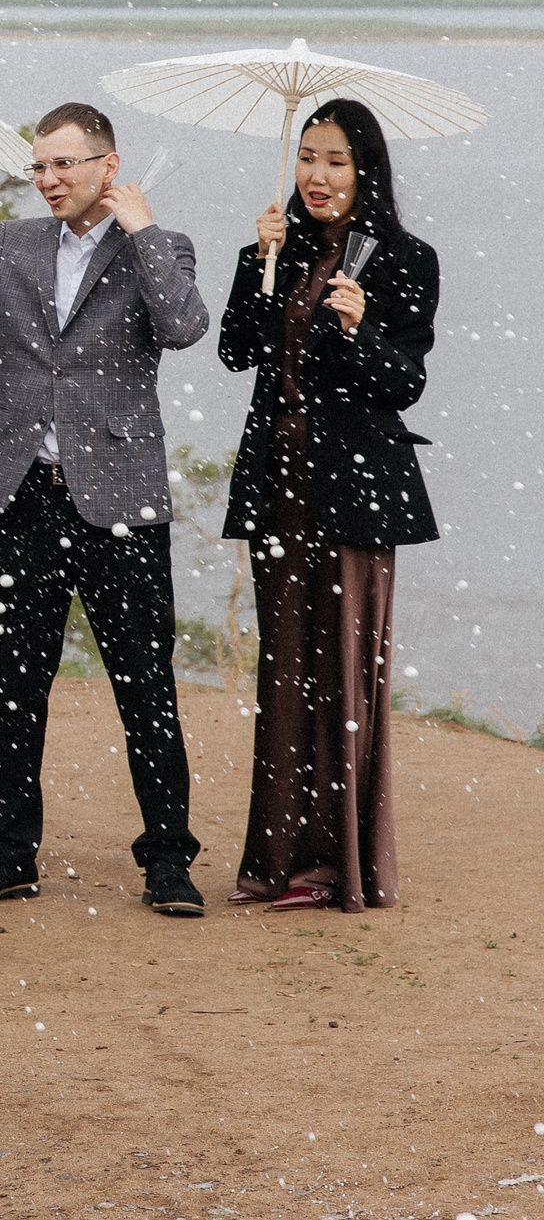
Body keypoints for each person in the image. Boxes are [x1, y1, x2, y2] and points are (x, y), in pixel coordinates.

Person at [0, 102, 210, 916]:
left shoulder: (158, 246)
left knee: (145, 684)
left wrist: (145, 230)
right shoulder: (16, 243)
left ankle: (168, 860)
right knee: (18, 683)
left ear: (106, 165)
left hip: (121, 499)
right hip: (24, 495)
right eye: (39, 167)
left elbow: (186, 326)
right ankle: (9, 855)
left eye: (64, 165)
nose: (49, 180)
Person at [218, 99, 438, 912]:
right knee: (284, 671)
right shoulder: (273, 248)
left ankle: (337, 862)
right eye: (308, 156)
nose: (317, 174)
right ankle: (274, 858)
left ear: (365, 170)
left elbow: (404, 384)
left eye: (337, 160)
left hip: (355, 492)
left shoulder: (405, 260)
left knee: (341, 675)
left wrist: (359, 328)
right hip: (280, 486)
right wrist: (258, 262)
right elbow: (237, 350)